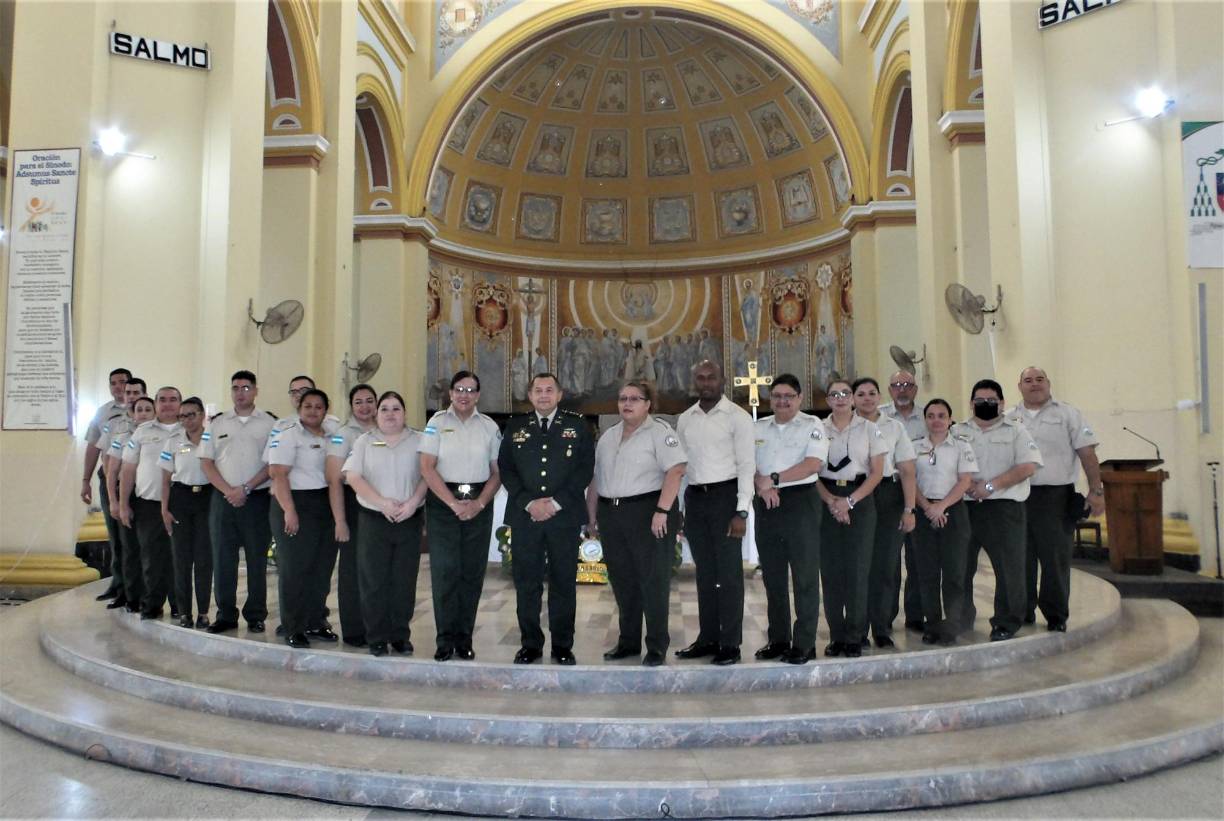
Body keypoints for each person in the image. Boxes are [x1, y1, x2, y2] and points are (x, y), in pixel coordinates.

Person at [585, 380, 686, 666]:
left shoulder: (660, 433)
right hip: (611, 514)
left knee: (653, 581)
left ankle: (656, 646)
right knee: (623, 582)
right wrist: (592, 515)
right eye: (622, 399)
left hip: (648, 512)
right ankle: (628, 642)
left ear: (648, 404)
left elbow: (676, 470)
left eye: (634, 399)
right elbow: (596, 478)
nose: (626, 404)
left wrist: (662, 511)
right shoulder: (608, 436)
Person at [497, 373, 595, 665]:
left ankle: (563, 645)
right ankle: (530, 644)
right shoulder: (515, 426)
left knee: (563, 582)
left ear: (559, 394)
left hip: (562, 517)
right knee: (527, 582)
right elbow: (506, 469)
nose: (543, 395)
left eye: (549, 390)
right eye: (537, 390)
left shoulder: (577, 426)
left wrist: (554, 503)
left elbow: (584, 470)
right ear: (529, 395)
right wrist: (528, 503)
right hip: (526, 517)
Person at [1007, 367, 1103, 632]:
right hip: (1017, 497)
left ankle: (1056, 615)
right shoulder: (1009, 418)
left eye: (1040, 380)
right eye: (1028, 380)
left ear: (1049, 383)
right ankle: (1022, 609)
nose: (1034, 385)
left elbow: (1087, 454)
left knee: (1055, 560)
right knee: (1019, 558)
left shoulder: (1068, 414)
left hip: (1055, 498)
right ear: (1019, 387)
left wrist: (1096, 491)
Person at [674, 360, 755, 666]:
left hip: (726, 498)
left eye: (711, 378)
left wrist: (741, 511)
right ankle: (708, 637)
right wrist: (681, 507)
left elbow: (747, 465)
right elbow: (682, 468)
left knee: (729, 576)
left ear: (723, 381)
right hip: (696, 499)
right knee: (704, 575)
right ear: (695, 382)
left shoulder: (738, 417)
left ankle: (730, 643)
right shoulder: (686, 419)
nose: (706, 382)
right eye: (700, 378)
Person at [419, 371, 502, 661]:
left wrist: (478, 503)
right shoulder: (436, 423)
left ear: (478, 395)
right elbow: (427, 468)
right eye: (459, 389)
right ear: (451, 393)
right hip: (444, 503)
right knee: (445, 572)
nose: (464, 395)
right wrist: (453, 504)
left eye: (470, 390)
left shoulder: (489, 427)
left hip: (478, 502)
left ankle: (464, 638)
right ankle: (444, 640)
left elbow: (497, 472)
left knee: (471, 573)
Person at [952, 379, 1043, 642]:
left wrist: (990, 486)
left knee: (1009, 569)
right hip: (964, 508)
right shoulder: (956, 431)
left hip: (1003, 508)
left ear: (1002, 403)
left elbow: (1027, 466)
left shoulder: (1016, 431)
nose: (985, 405)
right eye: (980, 401)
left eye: (991, 401)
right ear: (971, 404)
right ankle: (960, 618)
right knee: (959, 567)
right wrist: (965, 486)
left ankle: (1006, 621)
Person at [342, 391, 428, 657]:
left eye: (396, 409)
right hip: (374, 520)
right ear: (377, 414)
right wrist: (381, 502)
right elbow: (353, 477)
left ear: (404, 413)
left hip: (408, 519)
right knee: (373, 581)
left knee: (404, 580)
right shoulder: (364, 442)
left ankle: (400, 635)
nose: (390, 414)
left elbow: (429, 474)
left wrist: (413, 502)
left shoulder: (419, 440)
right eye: (385, 409)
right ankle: (377, 636)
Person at [751, 374, 827, 665]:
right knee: (773, 576)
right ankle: (779, 639)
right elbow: (747, 463)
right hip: (767, 503)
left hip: (800, 502)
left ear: (799, 399)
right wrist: (762, 484)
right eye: (777, 396)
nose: (782, 401)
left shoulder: (812, 425)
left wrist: (773, 480)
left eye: (788, 396)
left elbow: (813, 464)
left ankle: (804, 643)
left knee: (805, 576)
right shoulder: (757, 427)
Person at [199, 370, 277, 635]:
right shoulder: (217, 424)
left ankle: (255, 614)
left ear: (255, 391)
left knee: (257, 559)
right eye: (235, 388)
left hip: (256, 500)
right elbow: (206, 462)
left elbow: (272, 464)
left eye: (245, 387)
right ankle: (225, 614)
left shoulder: (269, 423)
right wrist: (230, 491)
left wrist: (245, 488)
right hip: (223, 499)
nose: (240, 392)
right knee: (223, 559)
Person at [815, 379, 887, 657]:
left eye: (846, 393)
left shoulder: (870, 429)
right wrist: (832, 501)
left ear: (853, 399)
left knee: (858, 570)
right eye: (835, 394)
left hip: (860, 497)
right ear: (828, 400)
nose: (841, 398)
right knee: (831, 571)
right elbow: (813, 470)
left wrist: (849, 502)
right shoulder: (818, 429)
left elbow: (877, 473)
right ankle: (837, 636)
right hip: (826, 498)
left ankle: (856, 635)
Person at [268, 388, 339, 649]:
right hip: (293, 502)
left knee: (321, 568)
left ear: (325, 409)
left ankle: (316, 621)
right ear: (299, 409)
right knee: (294, 569)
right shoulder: (287, 436)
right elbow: (278, 474)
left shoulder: (334, 435)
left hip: (324, 503)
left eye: (318, 406)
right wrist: (289, 510)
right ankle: (293, 626)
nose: (313, 411)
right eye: (308, 406)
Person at [854, 377, 917, 649]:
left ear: (880, 397)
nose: (867, 398)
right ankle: (856, 627)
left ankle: (881, 626)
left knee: (886, 564)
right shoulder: (844, 424)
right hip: (855, 495)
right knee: (857, 563)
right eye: (861, 394)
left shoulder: (894, 427)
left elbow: (906, 469)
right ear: (853, 398)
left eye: (871, 393)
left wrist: (909, 508)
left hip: (888, 496)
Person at [912, 399, 977, 645]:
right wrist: (928, 506)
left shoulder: (961, 446)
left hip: (953, 511)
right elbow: (910, 480)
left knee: (954, 572)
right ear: (925, 419)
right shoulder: (915, 446)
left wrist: (941, 506)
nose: (936, 420)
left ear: (950, 419)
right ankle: (932, 624)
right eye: (931, 415)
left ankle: (951, 625)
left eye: (941, 415)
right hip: (923, 511)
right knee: (927, 573)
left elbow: (965, 481)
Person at [119, 387, 182, 619]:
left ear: (180, 403)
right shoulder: (142, 432)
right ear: (155, 404)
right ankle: (152, 604)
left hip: (181, 505)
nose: (167, 404)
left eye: (173, 400)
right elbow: (127, 469)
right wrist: (124, 503)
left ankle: (180, 606)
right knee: (151, 558)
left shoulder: (190, 430)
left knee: (179, 558)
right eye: (162, 400)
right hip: (148, 504)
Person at [325, 383, 378, 647]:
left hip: (381, 503)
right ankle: (355, 629)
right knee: (352, 570)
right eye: (359, 402)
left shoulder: (386, 428)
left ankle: (377, 625)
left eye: (369, 401)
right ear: (351, 405)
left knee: (376, 568)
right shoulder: (342, 434)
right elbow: (335, 480)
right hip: (353, 503)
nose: (365, 406)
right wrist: (340, 521)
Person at [158, 396, 213, 629]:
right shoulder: (173, 441)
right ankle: (183, 612)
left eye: (191, 415)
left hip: (207, 499)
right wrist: (164, 510)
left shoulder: (213, 439)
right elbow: (165, 478)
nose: (187, 420)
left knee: (204, 559)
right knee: (181, 559)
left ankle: (202, 612)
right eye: (183, 416)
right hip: (180, 498)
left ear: (202, 416)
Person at [880, 370, 926, 633]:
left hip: (923, 493)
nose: (902, 390)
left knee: (918, 558)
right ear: (889, 390)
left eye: (907, 385)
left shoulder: (928, 416)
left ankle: (916, 614)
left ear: (915, 389)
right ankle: (884, 615)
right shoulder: (879, 417)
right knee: (889, 560)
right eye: (896, 385)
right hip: (890, 491)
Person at [82, 367, 131, 601]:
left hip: (136, 482)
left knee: (133, 536)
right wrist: (85, 480)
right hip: (109, 479)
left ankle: (135, 585)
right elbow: (93, 447)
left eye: (122, 382)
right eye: (113, 383)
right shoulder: (102, 413)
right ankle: (117, 582)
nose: (118, 387)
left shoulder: (144, 408)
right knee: (115, 535)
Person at [104, 388, 152, 612]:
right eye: (138, 410)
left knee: (150, 550)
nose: (142, 413)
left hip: (150, 496)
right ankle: (131, 596)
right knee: (130, 549)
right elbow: (112, 472)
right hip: (128, 495)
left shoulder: (165, 435)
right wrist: (115, 502)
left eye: (147, 409)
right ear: (132, 414)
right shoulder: (122, 437)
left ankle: (150, 596)